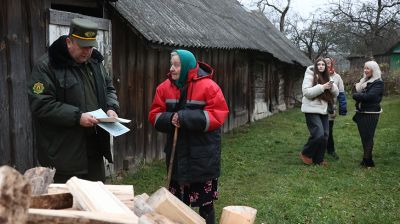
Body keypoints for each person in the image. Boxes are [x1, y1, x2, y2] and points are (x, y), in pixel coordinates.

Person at [28, 18, 120, 183]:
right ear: (69, 41)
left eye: (91, 47)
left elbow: (108, 88)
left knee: (96, 201)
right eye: (83, 47)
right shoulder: (46, 66)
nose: (87, 51)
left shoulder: (95, 63)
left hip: (94, 151)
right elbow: (41, 104)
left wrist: (111, 107)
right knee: (67, 203)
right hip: (64, 156)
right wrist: (77, 117)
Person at [148, 49, 229, 224]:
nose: (172, 69)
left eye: (176, 65)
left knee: (205, 205)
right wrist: (170, 118)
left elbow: (218, 115)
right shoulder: (164, 88)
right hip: (177, 156)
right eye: (171, 64)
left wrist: (184, 117)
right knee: (177, 204)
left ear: (187, 67)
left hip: (203, 157)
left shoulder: (209, 87)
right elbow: (154, 115)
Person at [299, 58, 339, 166]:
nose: (321, 66)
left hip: (323, 110)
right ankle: (306, 153)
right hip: (311, 109)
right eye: (319, 64)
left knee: (325, 135)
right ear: (315, 66)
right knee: (318, 134)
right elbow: (306, 92)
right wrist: (322, 87)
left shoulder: (327, 77)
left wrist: (331, 87)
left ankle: (319, 159)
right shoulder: (310, 75)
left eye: (323, 65)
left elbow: (336, 93)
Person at [352, 60, 384, 168]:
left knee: (368, 137)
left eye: (368, 68)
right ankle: (366, 159)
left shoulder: (378, 83)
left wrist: (356, 96)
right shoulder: (364, 81)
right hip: (361, 112)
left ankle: (369, 161)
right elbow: (355, 91)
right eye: (364, 68)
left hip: (371, 113)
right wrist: (357, 94)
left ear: (373, 70)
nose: (365, 70)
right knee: (363, 137)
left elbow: (369, 96)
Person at [324, 57, 347, 160]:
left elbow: (341, 93)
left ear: (332, 64)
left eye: (329, 63)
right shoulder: (318, 75)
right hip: (318, 106)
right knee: (318, 130)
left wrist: (343, 108)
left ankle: (331, 150)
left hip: (331, 108)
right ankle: (319, 148)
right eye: (325, 63)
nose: (327, 65)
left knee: (329, 130)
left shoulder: (337, 77)